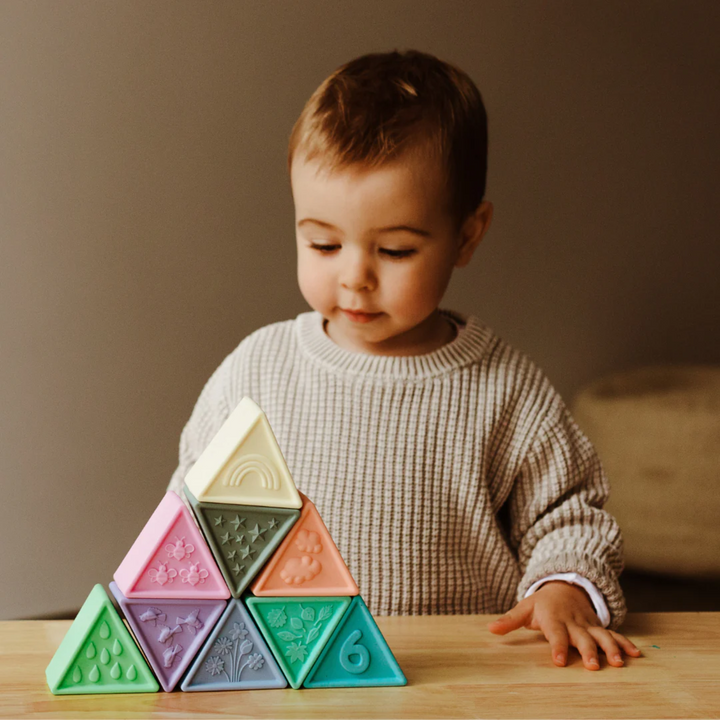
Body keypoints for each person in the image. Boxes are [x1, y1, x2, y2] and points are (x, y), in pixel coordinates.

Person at [167, 49, 641, 670]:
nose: (355, 277)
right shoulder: (254, 372)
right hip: (290, 675)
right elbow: (193, 520)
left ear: (467, 236)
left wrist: (564, 589)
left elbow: (570, 517)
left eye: (393, 250)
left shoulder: (506, 391)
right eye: (323, 243)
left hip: (462, 680)